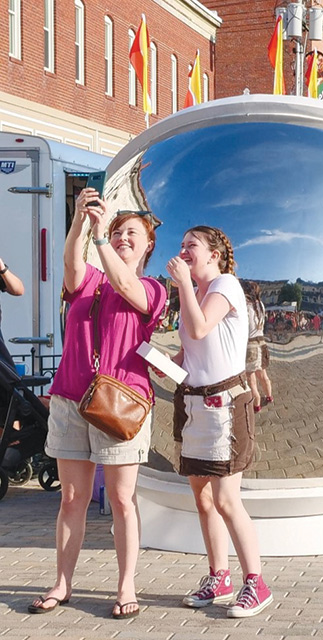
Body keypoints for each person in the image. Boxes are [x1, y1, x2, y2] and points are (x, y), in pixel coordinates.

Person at [32, 190, 166, 619]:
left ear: (148, 246)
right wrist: (79, 222)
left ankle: (127, 585)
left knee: (123, 500)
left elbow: (127, 287)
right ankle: (62, 582)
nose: (123, 237)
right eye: (117, 231)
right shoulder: (90, 279)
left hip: (120, 402)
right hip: (71, 397)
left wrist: (103, 240)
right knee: (71, 497)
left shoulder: (152, 288)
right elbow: (72, 269)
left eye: (132, 233)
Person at [165, 226, 272, 618]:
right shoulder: (196, 293)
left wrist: (181, 285)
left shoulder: (225, 284)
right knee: (203, 498)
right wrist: (167, 364)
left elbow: (198, 327)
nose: (183, 250)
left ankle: (255, 583)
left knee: (227, 499)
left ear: (213, 254)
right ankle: (219, 576)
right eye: (182, 246)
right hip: (195, 405)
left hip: (226, 404)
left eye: (191, 245)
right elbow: (193, 348)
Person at [241, 280, 274, 412]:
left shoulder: (245, 306)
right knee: (263, 374)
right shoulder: (261, 305)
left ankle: (256, 404)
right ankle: (269, 396)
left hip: (250, 345)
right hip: (262, 342)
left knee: (251, 379)